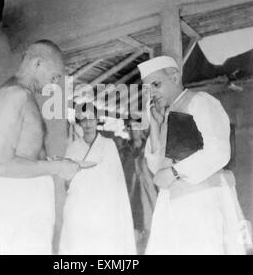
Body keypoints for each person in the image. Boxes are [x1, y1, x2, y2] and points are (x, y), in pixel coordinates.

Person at [137, 55, 247, 255]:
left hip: (203, 202)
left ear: (175, 77)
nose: (151, 93)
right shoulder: (165, 115)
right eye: (147, 89)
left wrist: (175, 172)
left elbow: (218, 151)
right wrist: (155, 126)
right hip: (173, 204)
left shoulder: (200, 102)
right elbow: (157, 170)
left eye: (156, 84)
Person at [0, 40, 79, 255]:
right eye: (54, 76)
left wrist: (43, 163)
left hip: (13, 200)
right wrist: (56, 168)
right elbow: (0, 166)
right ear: (38, 63)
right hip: (23, 203)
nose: (54, 83)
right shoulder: (18, 96)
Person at [59, 103, 136, 254]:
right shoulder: (73, 148)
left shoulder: (108, 145)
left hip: (102, 208)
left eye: (91, 119)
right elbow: (66, 180)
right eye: (83, 119)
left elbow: (116, 182)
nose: (87, 123)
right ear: (79, 122)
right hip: (79, 207)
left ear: (97, 120)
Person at [126, 120, 158, 254]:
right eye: (131, 127)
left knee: (150, 239)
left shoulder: (150, 150)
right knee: (132, 241)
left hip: (148, 200)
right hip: (131, 200)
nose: (134, 131)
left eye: (137, 127)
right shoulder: (124, 152)